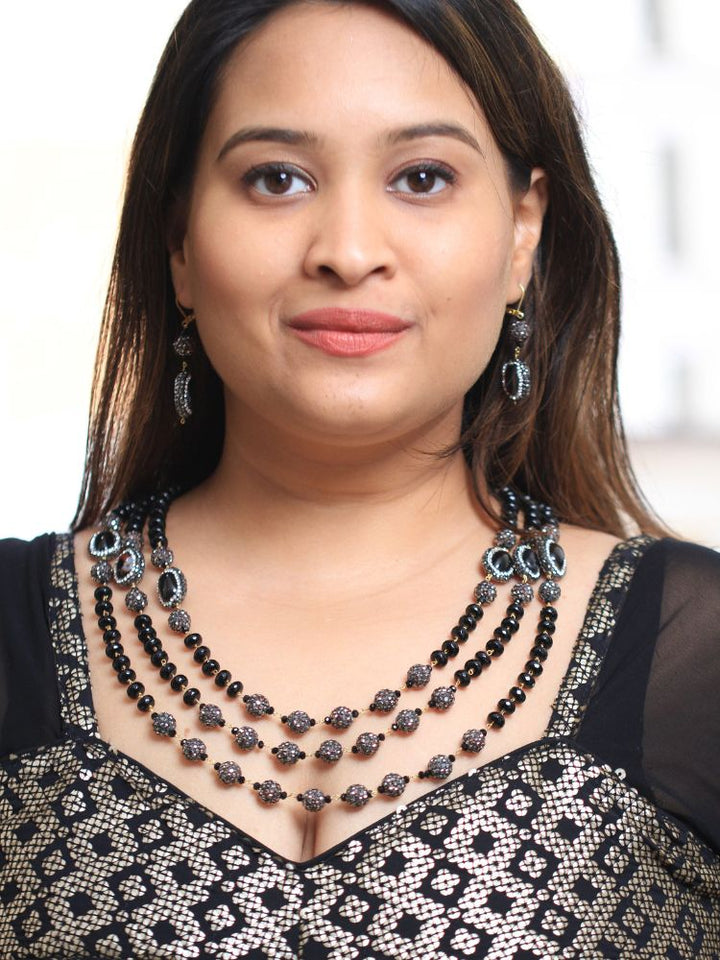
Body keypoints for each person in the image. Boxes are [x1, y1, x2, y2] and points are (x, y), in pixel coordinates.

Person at [1, 0, 718, 956]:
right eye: (276, 178)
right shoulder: (12, 630)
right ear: (179, 241)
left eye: (422, 178)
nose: (347, 250)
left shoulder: (695, 656)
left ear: (522, 231)